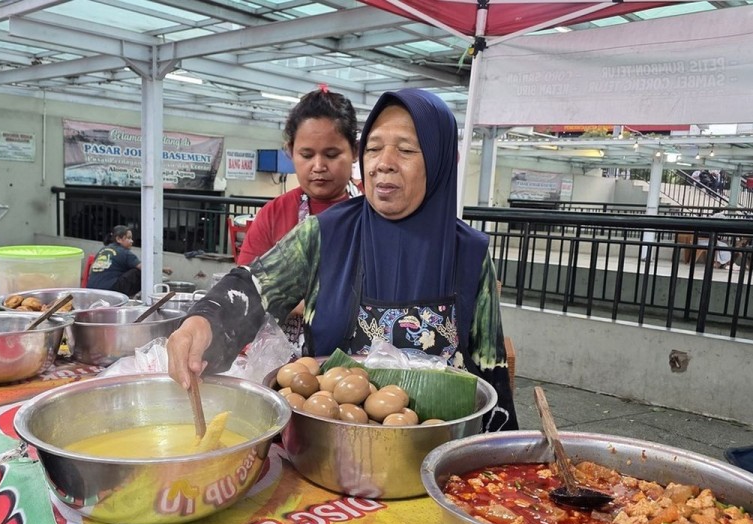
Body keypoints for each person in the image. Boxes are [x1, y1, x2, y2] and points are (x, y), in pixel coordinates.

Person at [168, 88, 517, 431]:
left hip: (435, 457)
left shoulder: (470, 253)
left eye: (407, 150)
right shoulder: (325, 234)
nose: (384, 164)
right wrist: (202, 323)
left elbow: (491, 368)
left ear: (441, 161)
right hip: (334, 449)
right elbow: (254, 287)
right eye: (375, 148)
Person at [236, 87, 358, 350]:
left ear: (355, 152)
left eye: (332, 154)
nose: (318, 166)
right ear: (290, 151)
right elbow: (250, 288)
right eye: (306, 155)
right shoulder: (274, 213)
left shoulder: (370, 212)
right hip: (282, 355)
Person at [86, 225, 170, 297]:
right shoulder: (125, 253)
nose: (132, 241)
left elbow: (90, 271)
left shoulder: (103, 250)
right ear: (119, 239)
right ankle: (146, 296)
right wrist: (162, 269)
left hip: (91, 289)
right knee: (139, 272)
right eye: (129, 238)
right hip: (110, 290)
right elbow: (145, 268)